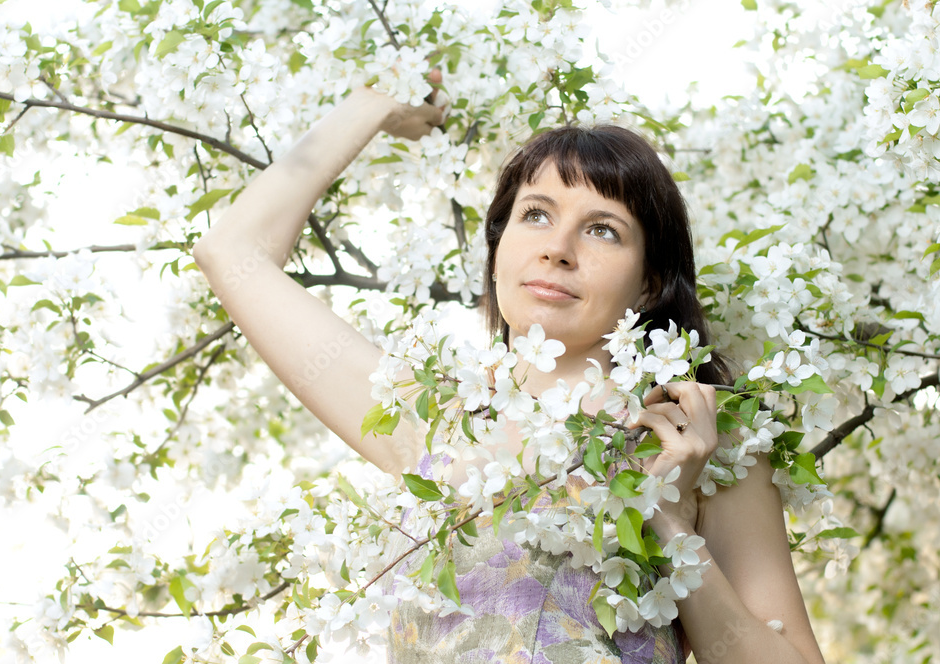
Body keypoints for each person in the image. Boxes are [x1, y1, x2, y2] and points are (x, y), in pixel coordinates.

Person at [192, 73, 826, 663]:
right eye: (536, 215)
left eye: (603, 230)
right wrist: (378, 101)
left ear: (648, 283)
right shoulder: (432, 420)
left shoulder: (701, 443)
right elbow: (232, 252)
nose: (557, 248)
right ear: (498, 249)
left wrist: (671, 525)